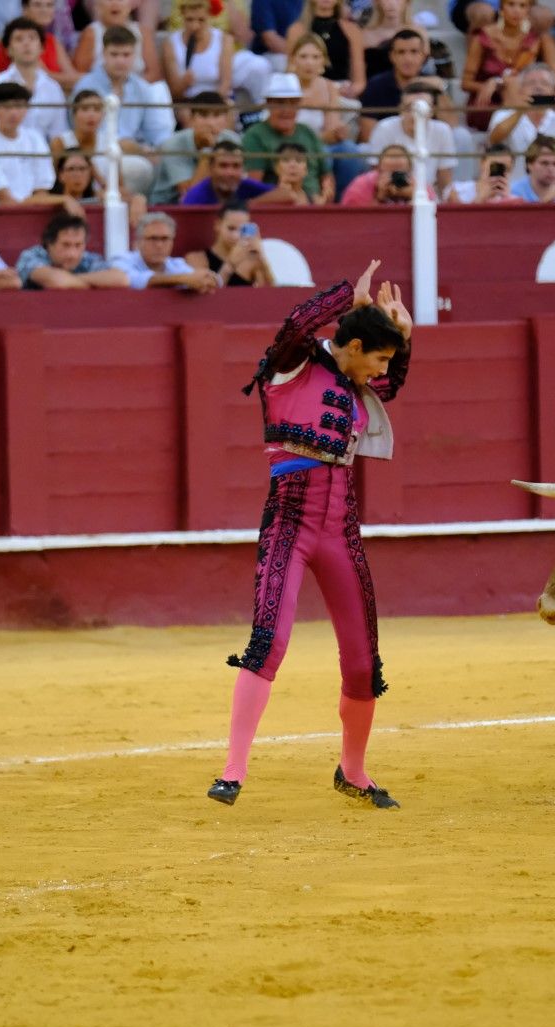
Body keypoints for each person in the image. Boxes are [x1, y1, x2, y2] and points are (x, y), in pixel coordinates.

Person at [207, 258, 413, 810]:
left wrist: (403, 338)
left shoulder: (352, 382)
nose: (381, 373)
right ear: (352, 346)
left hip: (340, 527)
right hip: (290, 521)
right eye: (379, 358)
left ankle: (354, 771)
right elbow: (299, 322)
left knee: (364, 663)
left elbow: (388, 387)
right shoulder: (292, 363)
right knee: (267, 640)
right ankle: (233, 770)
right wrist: (353, 297)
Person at [72, 24, 174, 169]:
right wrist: (127, 146)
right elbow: (79, 131)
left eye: (126, 55)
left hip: (136, 154)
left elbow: (156, 133)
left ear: (135, 55)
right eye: (114, 54)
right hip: (94, 154)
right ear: (103, 54)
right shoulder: (85, 86)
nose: (120, 61)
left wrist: (161, 151)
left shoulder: (141, 88)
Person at [485, 63, 555, 179]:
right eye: (531, 83)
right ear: (521, 89)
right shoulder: (505, 114)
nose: (538, 87)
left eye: (544, 83)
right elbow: (494, 139)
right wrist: (519, 112)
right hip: (515, 189)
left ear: (553, 90)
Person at [287, 33, 363, 195]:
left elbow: (332, 131)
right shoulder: (284, 85)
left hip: (321, 143)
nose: (309, 63)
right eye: (304, 56)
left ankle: (343, 201)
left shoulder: (329, 87)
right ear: (293, 59)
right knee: (323, 154)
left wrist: (338, 132)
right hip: (290, 145)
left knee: (349, 149)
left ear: (323, 61)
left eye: (315, 57)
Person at [240, 72, 332, 200]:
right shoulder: (255, 136)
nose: (286, 110)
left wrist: (326, 196)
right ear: (268, 103)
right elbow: (254, 188)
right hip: (279, 207)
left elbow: (326, 175)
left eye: (292, 103)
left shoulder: (308, 132)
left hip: (315, 204)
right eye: (280, 103)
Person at [0, 81, 57, 203]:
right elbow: (4, 199)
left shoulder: (35, 139)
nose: (13, 113)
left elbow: (42, 191)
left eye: (19, 106)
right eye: (7, 107)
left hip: (30, 211)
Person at [163, 0, 269, 105]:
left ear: (209, 17)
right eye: (189, 20)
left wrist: (210, 107)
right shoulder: (171, 43)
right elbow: (174, 93)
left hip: (216, 101)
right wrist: (183, 84)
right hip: (187, 103)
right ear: (182, 17)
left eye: (201, 20)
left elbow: (225, 84)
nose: (195, 26)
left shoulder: (224, 40)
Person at [0, 16, 69, 140]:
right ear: (8, 50)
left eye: (32, 38)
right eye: (19, 39)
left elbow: (58, 134)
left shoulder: (53, 88)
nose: (26, 44)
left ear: (42, 48)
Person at [462, 0, 543, 128]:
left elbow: (527, 77)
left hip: (520, 98)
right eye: (511, 4)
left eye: (522, 6)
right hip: (487, 103)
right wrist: (491, 86)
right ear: (501, 8)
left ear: (528, 11)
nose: (516, 10)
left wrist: (498, 83)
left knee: (515, 84)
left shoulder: (532, 40)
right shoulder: (483, 37)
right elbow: (465, 83)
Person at [365, 80, 456, 192]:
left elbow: (445, 182)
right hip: (391, 194)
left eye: (421, 109)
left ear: (433, 111)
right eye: (409, 108)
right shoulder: (384, 129)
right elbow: (375, 177)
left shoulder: (443, 131)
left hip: (430, 196)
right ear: (400, 109)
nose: (415, 115)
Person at [150, 90, 230, 204]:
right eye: (203, 115)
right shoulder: (173, 145)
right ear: (192, 119)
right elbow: (190, 197)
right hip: (170, 205)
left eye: (217, 115)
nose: (210, 123)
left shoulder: (232, 140)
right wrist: (208, 152)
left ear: (226, 119)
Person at [15, 210, 129, 288]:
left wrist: (73, 280)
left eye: (78, 245)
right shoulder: (31, 256)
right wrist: (95, 283)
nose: (72, 254)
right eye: (66, 245)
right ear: (49, 243)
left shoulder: (88, 258)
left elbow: (121, 279)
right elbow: (57, 281)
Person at [111, 210, 221, 290]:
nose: (159, 245)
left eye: (165, 239)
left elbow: (215, 281)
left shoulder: (177, 264)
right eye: (153, 238)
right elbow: (136, 281)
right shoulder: (123, 260)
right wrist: (183, 280)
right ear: (138, 242)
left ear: (172, 242)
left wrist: (208, 278)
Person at [286, 0, 365, 97]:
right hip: (305, 90)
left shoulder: (352, 30)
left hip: (341, 91)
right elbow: (291, 69)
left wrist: (350, 91)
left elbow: (359, 81)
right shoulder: (297, 30)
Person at [357, 28, 427, 139]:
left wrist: (439, 90)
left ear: (423, 55)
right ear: (392, 56)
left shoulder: (431, 85)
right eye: (401, 52)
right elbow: (368, 134)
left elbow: (452, 126)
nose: (408, 59)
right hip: (386, 149)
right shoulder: (376, 85)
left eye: (414, 52)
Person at [188, 201, 275, 285]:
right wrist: (229, 265)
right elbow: (204, 295)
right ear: (218, 225)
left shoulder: (252, 262)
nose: (236, 236)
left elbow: (271, 295)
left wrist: (261, 256)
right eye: (231, 228)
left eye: (242, 230)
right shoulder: (197, 259)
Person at [73, 0, 160, 80]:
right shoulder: (91, 33)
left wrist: (128, 86)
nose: (115, 3)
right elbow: (80, 75)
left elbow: (154, 74)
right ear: (98, 5)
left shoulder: (143, 33)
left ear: (132, 3)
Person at [180, 134, 275, 204]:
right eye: (223, 166)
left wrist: (250, 203)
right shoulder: (195, 198)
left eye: (236, 166)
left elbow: (286, 193)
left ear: (243, 169)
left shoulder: (246, 185)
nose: (230, 172)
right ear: (211, 168)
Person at [339, 142, 431, 204]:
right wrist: (379, 197)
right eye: (391, 157)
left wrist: (414, 198)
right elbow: (352, 217)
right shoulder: (362, 184)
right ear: (379, 167)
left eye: (399, 157)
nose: (395, 160)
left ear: (410, 168)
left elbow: (433, 216)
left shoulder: (420, 187)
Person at [362, 0, 430, 79]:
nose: (391, 3)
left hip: (412, 87)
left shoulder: (419, 33)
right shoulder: (364, 35)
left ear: (407, 2)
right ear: (377, 2)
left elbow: (425, 67)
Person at [509, 133, 555, 201]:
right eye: (544, 163)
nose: (551, 169)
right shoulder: (513, 193)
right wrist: (547, 200)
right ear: (529, 164)